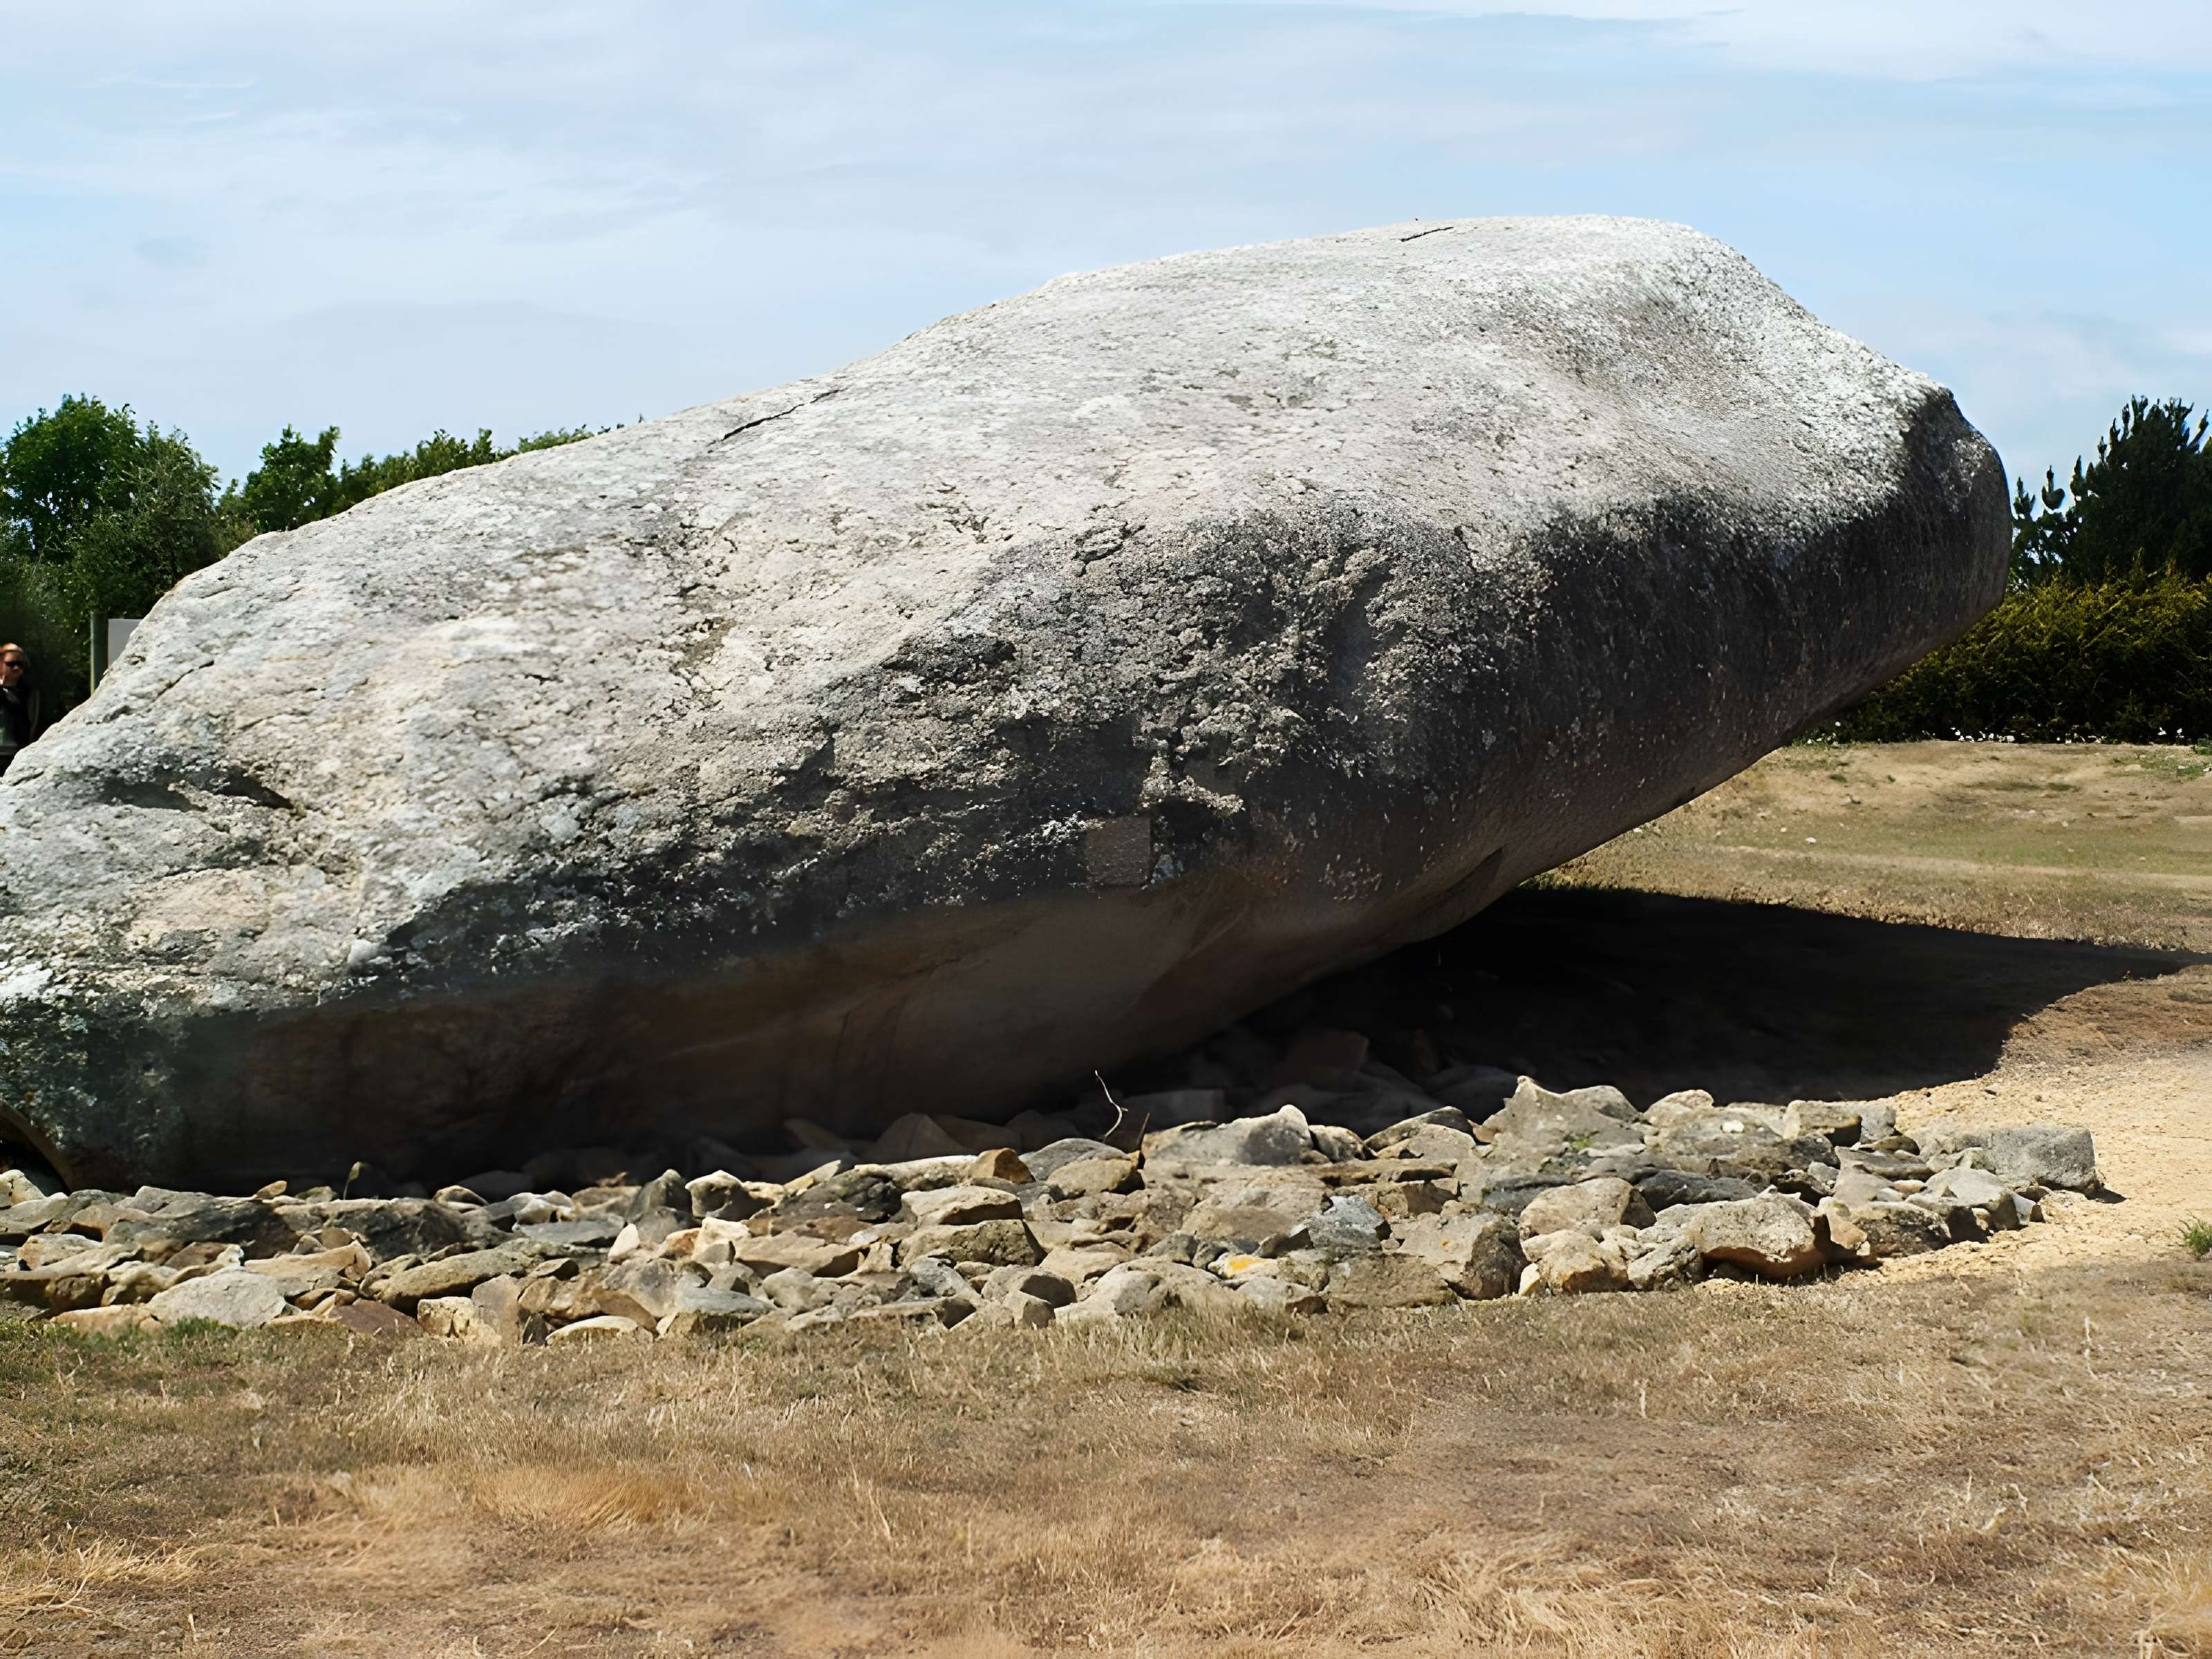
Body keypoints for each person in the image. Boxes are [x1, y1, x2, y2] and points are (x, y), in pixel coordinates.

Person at [0, 644, 41, 776]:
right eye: (11, 664)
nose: (17, 668)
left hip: (17, 756)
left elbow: (34, 722)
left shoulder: (29, 693)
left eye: (20, 664)